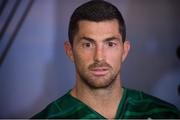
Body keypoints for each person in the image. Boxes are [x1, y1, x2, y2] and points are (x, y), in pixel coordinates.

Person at [32, 0, 180, 119]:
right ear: (70, 51)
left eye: (110, 44)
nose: (99, 57)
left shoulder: (164, 114)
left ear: (125, 50)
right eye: (88, 44)